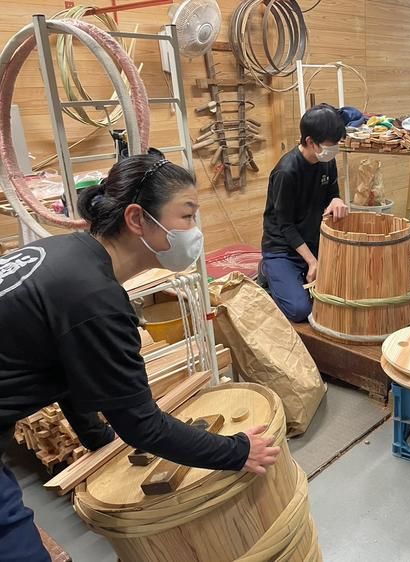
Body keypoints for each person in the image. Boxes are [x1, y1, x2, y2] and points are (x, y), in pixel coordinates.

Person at [0, 153, 280, 561]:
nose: (195, 231)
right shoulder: (94, 297)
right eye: (187, 216)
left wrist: (99, 441)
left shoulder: (66, 254)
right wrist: (237, 451)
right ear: (136, 219)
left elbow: (70, 369)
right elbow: (142, 425)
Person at [261, 104, 349, 323]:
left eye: (337, 143)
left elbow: (332, 193)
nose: (334, 149)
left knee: (346, 291)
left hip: (313, 243)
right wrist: (313, 262)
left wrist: (337, 200)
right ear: (310, 142)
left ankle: (295, 276)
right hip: (283, 249)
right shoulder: (286, 172)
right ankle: (267, 270)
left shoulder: (326, 161)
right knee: (300, 310)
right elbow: (285, 226)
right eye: (330, 144)